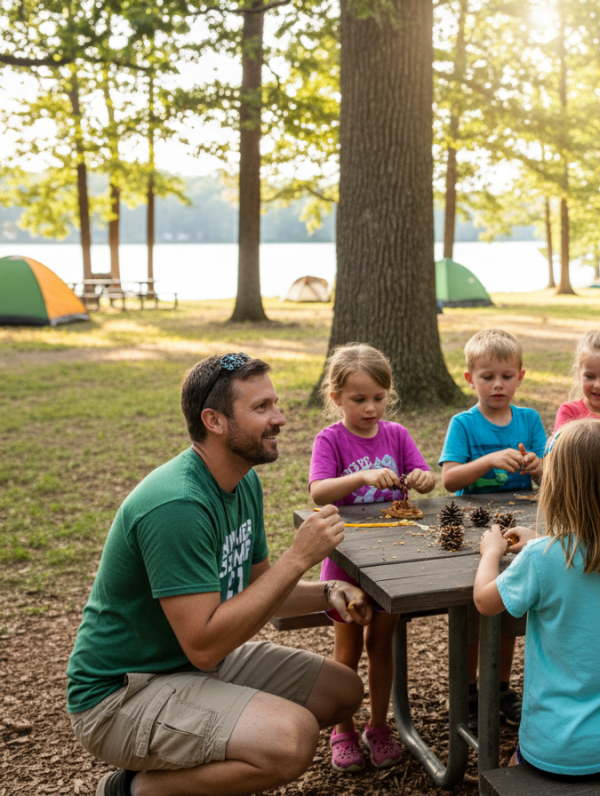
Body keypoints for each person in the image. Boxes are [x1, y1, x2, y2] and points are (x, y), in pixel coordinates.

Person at [66, 353, 373, 796]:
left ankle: (211, 748)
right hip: (123, 694)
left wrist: (329, 591)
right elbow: (205, 645)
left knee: (342, 691)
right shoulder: (179, 506)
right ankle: (136, 790)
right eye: (262, 408)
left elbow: (261, 590)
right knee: (292, 739)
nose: (280, 418)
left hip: (192, 665)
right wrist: (298, 557)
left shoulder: (241, 480)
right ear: (214, 420)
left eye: (275, 403)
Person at [474, 418, 600, 778]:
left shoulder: (541, 559)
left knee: (512, 770)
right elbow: (587, 553)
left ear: (557, 486)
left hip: (559, 749)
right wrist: (542, 539)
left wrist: (491, 553)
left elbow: (485, 601)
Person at [309, 344, 435, 772]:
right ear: (336, 398)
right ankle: (342, 729)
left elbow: (426, 478)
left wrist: (421, 477)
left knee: (381, 646)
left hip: (391, 561)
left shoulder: (397, 435)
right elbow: (318, 491)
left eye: (378, 398)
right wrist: (360, 476)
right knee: (346, 652)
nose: (370, 408)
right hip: (345, 562)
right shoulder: (331, 439)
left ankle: (378, 725)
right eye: (359, 399)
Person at [439, 329, 547, 731]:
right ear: (470, 379)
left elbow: (548, 476)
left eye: (506, 375)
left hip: (520, 532)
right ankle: (467, 693)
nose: (497, 384)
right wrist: (488, 461)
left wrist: (539, 468)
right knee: (472, 614)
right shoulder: (464, 424)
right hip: (475, 532)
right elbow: (450, 480)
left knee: (509, 609)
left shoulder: (530, 419)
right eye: (487, 376)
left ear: (520, 376)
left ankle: (500, 688)